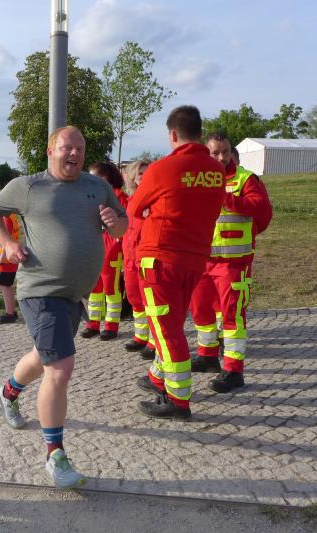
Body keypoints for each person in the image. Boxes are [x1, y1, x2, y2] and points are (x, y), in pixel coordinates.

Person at [0, 125, 128, 489]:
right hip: (40, 289)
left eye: (80, 148)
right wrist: (8, 242)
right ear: (50, 151)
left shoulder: (98, 187)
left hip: (74, 294)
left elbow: (121, 226)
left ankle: (7, 393)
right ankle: (55, 456)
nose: (74, 153)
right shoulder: (29, 186)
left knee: (44, 355)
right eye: (67, 147)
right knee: (60, 368)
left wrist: (116, 223)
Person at [128, 105, 225, 420]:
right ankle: (158, 378)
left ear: (173, 134)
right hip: (194, 261)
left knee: (167, 332)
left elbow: (134, 208)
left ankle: (178, 400)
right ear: (199, 131)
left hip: (160, 260)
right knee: (170, 325)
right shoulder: (216, 171)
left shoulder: (162, 169)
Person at [188, 132, 273, 392]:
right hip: (201, 260)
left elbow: (262, 211)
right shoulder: (195, 180)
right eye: (215, 152)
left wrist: (226, 199)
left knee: (232, 315)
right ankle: (207, 355)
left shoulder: (246, 179)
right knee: (200, 309)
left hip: (233, 262)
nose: (221, 157)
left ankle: (234, 370)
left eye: (225, 151)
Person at [82, 161, 128, 340]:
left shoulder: (119, 197)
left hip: (111, 250)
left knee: (111, 289)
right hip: (93, 248)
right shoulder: (89, 197)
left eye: (96, 177)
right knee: (94, 289)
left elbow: (126, 223)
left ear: (107, 179)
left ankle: (111, 326)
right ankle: (93, 324)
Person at [120, 159, 158, 360]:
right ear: (133, 177)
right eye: (140, 173)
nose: (143, 176)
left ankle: (154, 341)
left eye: (147, 172)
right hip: (130, 258)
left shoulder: (155, 199)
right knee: (134, 297)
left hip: (147, 258)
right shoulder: (130, 200)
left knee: (150, 301)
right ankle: (141, 335)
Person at [0, 213, 20, 324]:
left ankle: (10, 314)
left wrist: (2, 258)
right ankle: (11, 311)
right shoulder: (10, 217)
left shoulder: (6, 219)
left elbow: (6, 240)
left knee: (5, 285)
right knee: (5, 285)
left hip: (5, 260)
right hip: (8, 259)